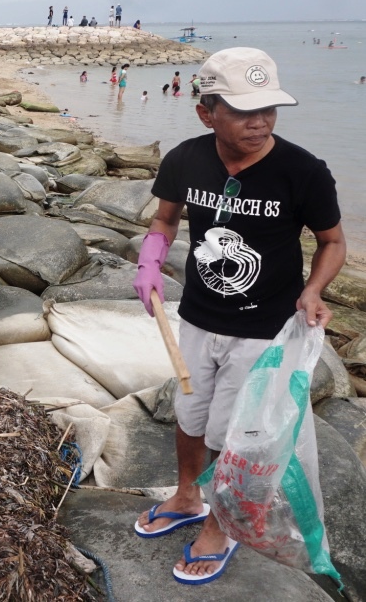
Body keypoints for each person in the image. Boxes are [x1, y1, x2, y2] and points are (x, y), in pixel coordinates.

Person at [132, 47, 344, 585]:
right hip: (198, 317)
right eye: (245, 110)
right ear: (207, 112)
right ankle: (186, 496)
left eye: (269, 108)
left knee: (235, 433)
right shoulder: (185, 158)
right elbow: (164, 218)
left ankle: (222, 527)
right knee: (190, 416)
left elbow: (333, 242)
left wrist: (314, 289)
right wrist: (150, 261)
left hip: (264, 329)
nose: (261, 121)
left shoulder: (303, 171)